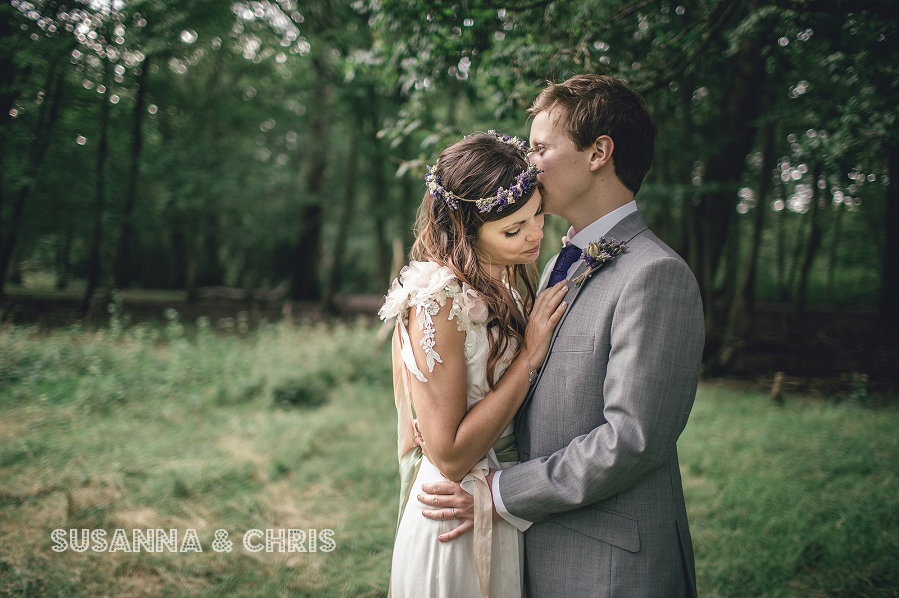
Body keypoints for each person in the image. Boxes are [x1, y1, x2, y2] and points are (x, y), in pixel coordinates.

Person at [417, 75, 706, 597]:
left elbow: (632, 441)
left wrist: (501, 490)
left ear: (599, 152)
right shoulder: (554, 263)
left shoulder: (655, 274)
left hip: (609, 565)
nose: (529, 164)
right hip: (535, 554)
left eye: (542, 148)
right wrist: (457, 423)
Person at [378, 130, 570, 597]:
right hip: (453, 523)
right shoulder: (438, 300)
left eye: (537, 216)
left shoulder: (502, 285)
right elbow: (449, 453)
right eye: (512, 229)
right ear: (465, 229)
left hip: (494, 500)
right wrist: (530, 353)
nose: (533, 234)